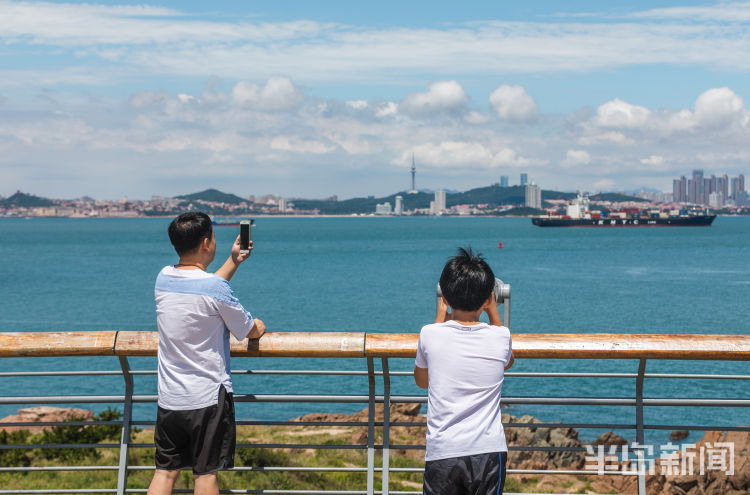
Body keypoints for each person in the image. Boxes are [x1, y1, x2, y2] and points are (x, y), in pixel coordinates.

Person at [148, 212, 265, 495]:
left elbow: (203, 287)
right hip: (207, 399)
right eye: (213, 236)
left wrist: (233, 261)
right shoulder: (214, 289)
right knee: (205, 475)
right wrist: (258, 326)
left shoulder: (163, 278)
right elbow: (247, 328)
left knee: (165, 472)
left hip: (170, 397)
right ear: (206, 243)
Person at [414, 247, 514, 495]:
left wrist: (440, 316)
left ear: (445, 297)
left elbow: (421, 381)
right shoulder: (501, 336)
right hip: (488, 451)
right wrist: (492, 311)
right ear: (488, 297)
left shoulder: (430, 333)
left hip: (443, 451)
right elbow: (508, 361)